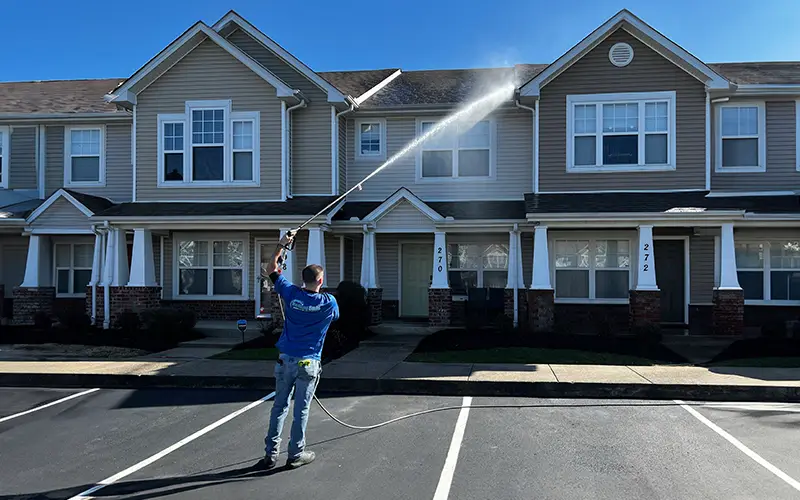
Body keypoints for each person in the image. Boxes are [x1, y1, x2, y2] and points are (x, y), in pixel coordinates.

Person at [259, 230, 339, 470]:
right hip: (309, 363)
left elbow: (271, 269)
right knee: (301, 410)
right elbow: (335, 317)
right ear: (320, 281)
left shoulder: (291, 293)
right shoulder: (328, 303)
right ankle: (295, 454)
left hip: (285, 360)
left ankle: (270, 454)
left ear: (303, 279)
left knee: (279, 407)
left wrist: (282, 245)